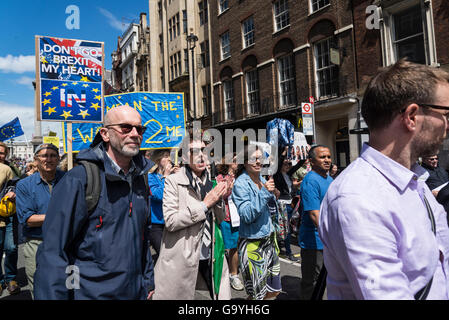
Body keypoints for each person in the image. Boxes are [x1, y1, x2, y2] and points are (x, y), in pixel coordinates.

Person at [319, 59, 449, 299]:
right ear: (411, 116)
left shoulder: (416, 182)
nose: (447, 125)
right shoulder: (358, 200)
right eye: (445, 114)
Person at [33, 105, 155, 300]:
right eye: (126, 128)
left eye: (139, 129)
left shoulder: (140, 178)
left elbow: (142, 237)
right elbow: (54, 252)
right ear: (105, 134)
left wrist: (147, 281)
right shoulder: (79, 179)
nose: (135, 134)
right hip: (91, 294)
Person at [153, 130, 231, 300]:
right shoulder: (173, 181)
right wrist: (205, 204)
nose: (201, 156)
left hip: (211, 254)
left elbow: (219, 218)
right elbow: (171, 221)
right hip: (182, 256)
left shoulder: (212, 180)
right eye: (194, 152)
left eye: (204, 150)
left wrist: (219, 200)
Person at [232, 144, 282, 300]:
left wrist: (274, 195)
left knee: (273, 290)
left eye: (260, 158)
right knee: (256, 295)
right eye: (254, 158)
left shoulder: (261, 178)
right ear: (245, 162)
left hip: (269, 241)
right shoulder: (240, 184)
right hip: (253, 244)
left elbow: (267, 208)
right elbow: (247, 215)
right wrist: (265, 193)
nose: (258, 161)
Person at [15, 143, 65, 298]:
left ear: (58, 159)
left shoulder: (69, 180)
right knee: (39, 290)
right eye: (44, 156)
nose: (48, 159)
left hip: (66, 243)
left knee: (67, 287)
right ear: (36, 160)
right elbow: (28, 219)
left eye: (52, 156)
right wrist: (61, 214)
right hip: (37, 243)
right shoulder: (24, 185)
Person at [298, 145, 333, 300]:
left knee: (326, 281)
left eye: (328, 157)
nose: (327, 160)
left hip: (328, 240)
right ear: (311, 161)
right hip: (315, 242)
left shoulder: (329, 178)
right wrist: (330, 237)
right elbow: (314, 214)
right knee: (312, 283)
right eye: (322, 157)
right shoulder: (310, 181)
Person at [215, 154, 244, 291]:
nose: (237, 162)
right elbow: (219, 196)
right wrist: (228, 189)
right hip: (227, 217)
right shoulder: (220, 178)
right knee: (226, 246)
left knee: (236, 247)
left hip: (239, 216)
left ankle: (234, 273)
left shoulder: (241, 176)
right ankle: (228, 273)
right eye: (234, 160)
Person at [147, 148, 179, 262]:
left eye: (169, 155)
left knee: (173, 255)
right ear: (158, 159)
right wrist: (166, 177)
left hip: (171, 221)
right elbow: (158, 196)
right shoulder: (150, 177)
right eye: (165, 156)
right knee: (164, 256)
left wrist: (179, 177)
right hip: (156, 224)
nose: (169, 159)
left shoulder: (173, 176)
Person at [274, 147, 305, 261]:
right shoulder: (277, 174)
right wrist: (284, 152)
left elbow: (299, 164)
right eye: (285, 164)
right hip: (282, 204)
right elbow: (279, 162)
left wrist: (303, 153)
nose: (288, 166)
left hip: (290, 203)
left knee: (289, 228)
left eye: (289, 164)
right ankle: (288, 252)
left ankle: (281, 247)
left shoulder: (288, 174)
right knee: (285, 229)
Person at [0, 141, 21, 295]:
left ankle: (11, 278)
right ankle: (0, 281)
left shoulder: (9, 169)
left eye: (2, 153)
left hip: (8, 215)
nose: (0, 155)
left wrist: (13, 192)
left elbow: (17, 185)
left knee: (11, 247)